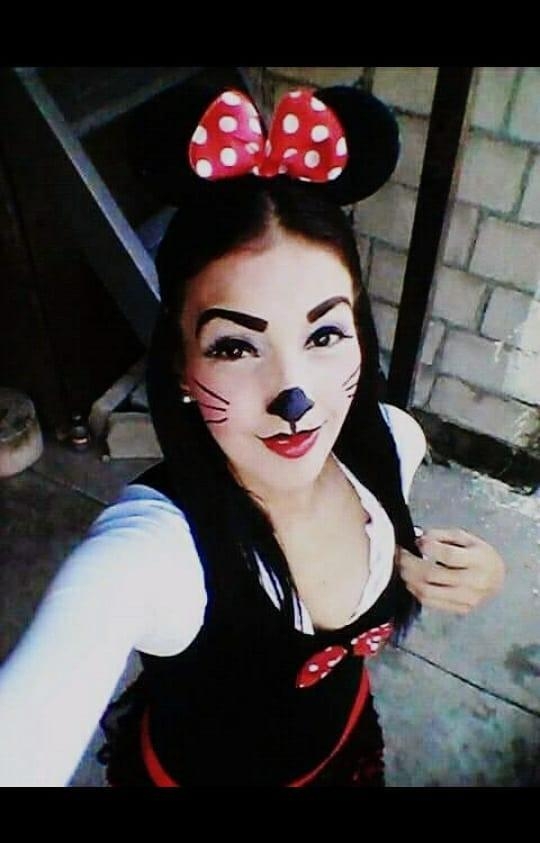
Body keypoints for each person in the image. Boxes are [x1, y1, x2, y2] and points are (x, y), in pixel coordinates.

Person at [0, 83, 505, 787]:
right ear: (180, 365)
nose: (295, 396)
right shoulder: (157, 554)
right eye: (235, 347)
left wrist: (423, 561)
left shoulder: (395, 441)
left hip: (346, 748)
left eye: (324, 334)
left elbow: (376, 540)